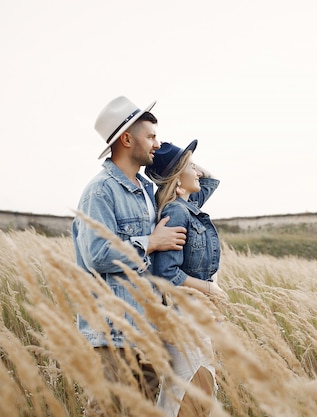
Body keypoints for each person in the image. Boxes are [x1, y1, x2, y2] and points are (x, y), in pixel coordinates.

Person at [71, 96, 187, 412]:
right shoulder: (100, 191)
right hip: (115, 335)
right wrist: (150, 241)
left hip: (148, 332)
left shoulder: (147, 191)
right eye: (150, 136)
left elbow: (203, 183)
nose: (157, 143)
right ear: (126, 139)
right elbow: (97, 254)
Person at [145, 140, 227, 416]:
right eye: (191, 166)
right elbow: (165, 273)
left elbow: (211, 179)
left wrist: (185, 163)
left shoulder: (187, 205)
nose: (198, 172)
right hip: (185, 317)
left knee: (201, 390)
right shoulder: (176, 212)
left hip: (197, 314)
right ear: (179, 177)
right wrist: (208, 288)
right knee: (186, 395)